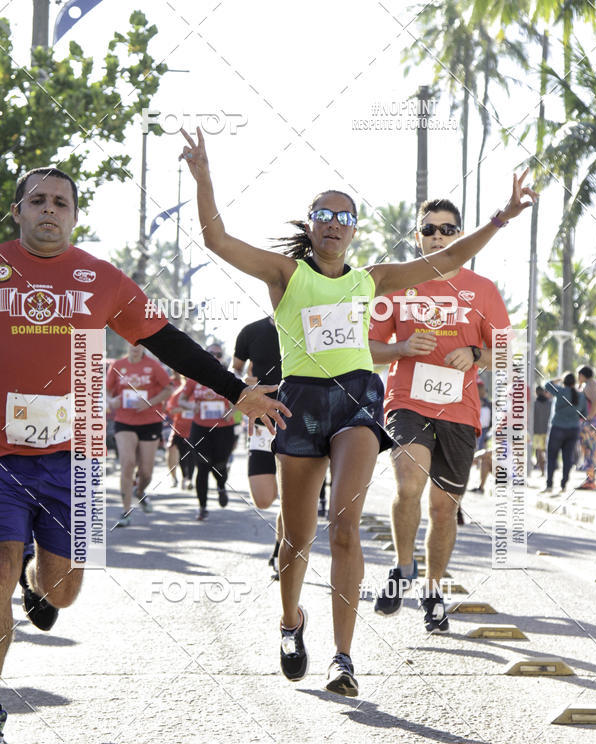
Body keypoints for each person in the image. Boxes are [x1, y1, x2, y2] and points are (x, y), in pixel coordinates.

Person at [181, 126, 536, 692]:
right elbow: (217, 239)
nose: (333, 224)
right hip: (300, 404)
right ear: (312, 223)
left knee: (344, 527)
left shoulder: (375, 280)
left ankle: (342, 657)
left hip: (357, 402)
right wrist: (203, 177)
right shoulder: (285, 274)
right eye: (324, 214)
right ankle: (290, 620)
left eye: (344, 217)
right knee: (296, 535)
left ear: (354, 231)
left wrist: (502, 216)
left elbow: (448, 258)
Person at [0, 166, 290, 743]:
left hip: (74, 458)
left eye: (61, 202)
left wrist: (237, 390)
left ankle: (38, 581)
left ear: (76, 216)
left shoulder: (101, 278)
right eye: (38, 201)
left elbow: (169, 341)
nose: (49, 210)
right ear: (18, 212)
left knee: (63, 590)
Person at [369, 198, 514, 632]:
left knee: (444, 508)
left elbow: (509, 351)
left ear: (461, 236)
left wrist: (475, 353)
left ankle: (433, 591)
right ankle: (402, 567)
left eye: (447, 230)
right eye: (429, 229)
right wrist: (398, 348)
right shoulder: (396, 285)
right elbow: (366, 348)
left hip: (461, 409)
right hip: (406, 399)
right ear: (416, 236)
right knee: (409, 483)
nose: (437, 236)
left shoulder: (482, 289)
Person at [233, 316, 284, 574]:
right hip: (262, 424)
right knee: (264, 499)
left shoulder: (311, 323)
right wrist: (244, 385)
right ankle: (282, 546)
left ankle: (281, 550)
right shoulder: (251, 331)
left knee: (293, 498)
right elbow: (234, 372)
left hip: (299, 422)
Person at [106, 345, 173, 526]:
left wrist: (149, 403)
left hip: (150, 421)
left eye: (139, 344)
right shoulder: (118, 365)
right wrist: (111, 400)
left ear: (144, 346)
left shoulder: (153, 365)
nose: (135, 347)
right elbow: (106, 390)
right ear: (126, 344)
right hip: (124, 420)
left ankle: (140, 490)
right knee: (126, 463)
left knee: (146, 471)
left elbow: (169, 388)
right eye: (131, 343)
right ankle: (126, 511)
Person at [181, 341, 238, 520]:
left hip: (223, 429)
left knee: (219, 464)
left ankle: (221, 486)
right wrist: (192, 406)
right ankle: (202, 506)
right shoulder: (194, 377)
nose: (214, 356)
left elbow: (241, 400)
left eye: (218, 354)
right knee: (202, 466)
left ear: (222, 358)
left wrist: (231, 411)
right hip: (200, 428)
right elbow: (182, 400)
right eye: (211, 352)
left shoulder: (228, 376)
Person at [542, 372, 587, 495]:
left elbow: (547, 385)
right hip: (573, 429)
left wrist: (558, 378)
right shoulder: (581, 396)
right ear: (574, 383)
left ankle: (549, 485)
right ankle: (564, 485)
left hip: (557, 428)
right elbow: (584, 414)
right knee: (568, 458)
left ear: (564, 382)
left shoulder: (560, 391)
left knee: (551, 457)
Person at [166, 374, 196, 488]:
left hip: (194, 429)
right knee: (181, 454)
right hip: (179, 429)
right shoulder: (178, 393)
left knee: (191, 454)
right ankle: (181, 477)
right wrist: (184, 408)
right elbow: (171, 410)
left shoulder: (198, 392)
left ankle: (189, 479)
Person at [575, 365, 596, 491]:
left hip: (592, 423)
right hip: (594, 422)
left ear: (582, 375)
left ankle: (590, 481)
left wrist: (589, 417)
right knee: (591, 451)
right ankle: (590, 480)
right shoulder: (592, 384)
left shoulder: (589, 385)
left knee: (589, 451)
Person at [532, 385, 552, 476]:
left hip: (537, 430)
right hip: (548, 430)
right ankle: (547, 470)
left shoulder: (535, 404)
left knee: (539, 451)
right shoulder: (550, 403)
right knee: (546, 451)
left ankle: (543, 471)